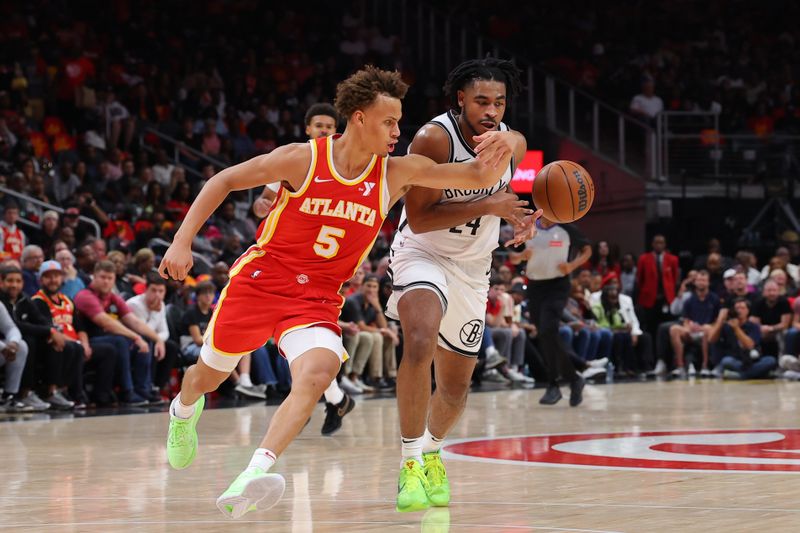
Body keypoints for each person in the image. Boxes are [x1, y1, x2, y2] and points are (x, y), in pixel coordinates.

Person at [158, 66, 514, 519]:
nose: (397, 132)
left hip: (317, 299)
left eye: (400, 122)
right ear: (360, 118)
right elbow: (223, 180)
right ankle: (184, 411)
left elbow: (472, 174)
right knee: (206, 377)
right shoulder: (302, 159)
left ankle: (253, 473)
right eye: (389, 122)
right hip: (262, 283)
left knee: (318, 373)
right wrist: (181, 240)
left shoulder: (397, 173)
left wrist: (511, 142)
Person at [384, 58, 535, 512]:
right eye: (482, 101)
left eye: (500, 102)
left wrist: (525, 218)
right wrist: (489, 204)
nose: (491, 110)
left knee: (454, 389)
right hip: (422, 252)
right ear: (460, 100)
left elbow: (521, 160)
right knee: (419, 339)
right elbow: (421, 216)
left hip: (474, 269)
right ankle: (410, 462)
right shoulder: (435, 137)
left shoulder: (508, 138)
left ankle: (432, 451)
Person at [250, 101, 356, 434]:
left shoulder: (340, 165)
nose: (324, 131)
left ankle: (315, 398)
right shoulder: (293, 161)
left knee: (306, 335)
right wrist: (262, 204)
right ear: (308, 129)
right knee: (290, 336)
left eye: (329, 126)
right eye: (318, 126)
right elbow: (262, 202)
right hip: (286, 257)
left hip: (320, 264)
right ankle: (333, 399)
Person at [514, 216, 591, 404]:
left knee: (549, 330)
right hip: (534, 286)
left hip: (557, 286)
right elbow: (513, 257)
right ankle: (573, 379)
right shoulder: (528, 226)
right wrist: (521, 257)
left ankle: (554, 384)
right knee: (545, 335)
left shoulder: (568, 229)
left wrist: (572, 265)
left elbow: (587, 250)